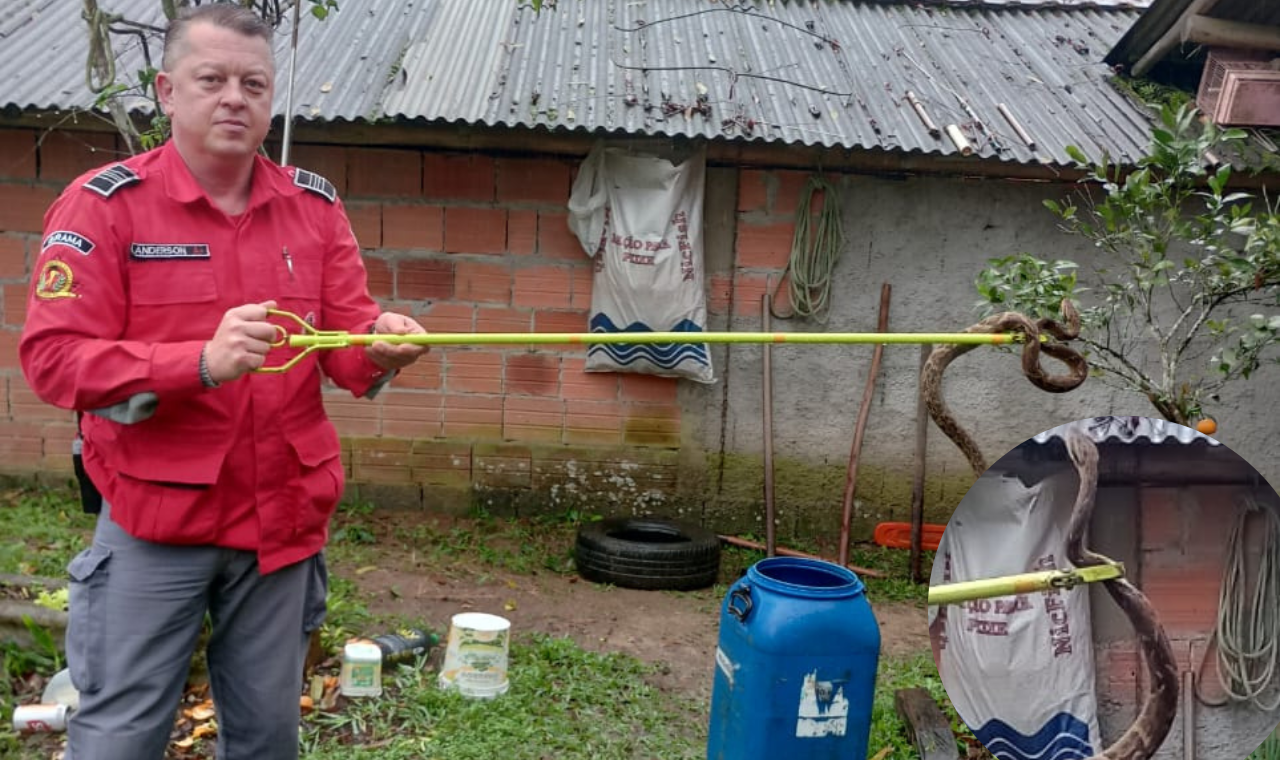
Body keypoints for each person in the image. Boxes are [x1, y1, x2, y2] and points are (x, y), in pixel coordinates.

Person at [18, 5, 429, 759]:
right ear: (168, 90)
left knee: (269, 738)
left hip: (282, 525)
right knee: (119, 735)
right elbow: (54, 359)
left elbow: (343, 348)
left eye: (253, 82)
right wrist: (197, 363)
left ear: (272, 98)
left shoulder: (313, 208)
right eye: (212, 79)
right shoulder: (105, 206)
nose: (234, 97)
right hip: (154, 525)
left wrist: (381, 346)